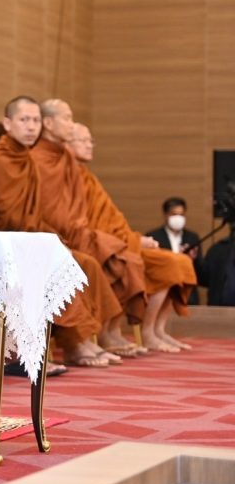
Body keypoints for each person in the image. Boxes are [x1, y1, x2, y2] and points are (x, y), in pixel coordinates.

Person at [0, 96, 124, 368]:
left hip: (28, 237)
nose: (31, 127)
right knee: (59, 264)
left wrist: (48, 238)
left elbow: (32, 213)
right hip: (4, 241)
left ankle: (83, 339)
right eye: (24, 120)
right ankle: (72, 344)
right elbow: (3, 214)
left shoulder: (26, 158)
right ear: (7, 124)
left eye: (35, 121)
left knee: (84, 263)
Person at [32, 100, 149, 357]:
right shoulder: (36, 159)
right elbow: (43, 210)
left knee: (123, 260)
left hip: (78, 233)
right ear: (48, 123)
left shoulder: (66, 159)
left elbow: (78, 210)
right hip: (53, 235)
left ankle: (108, 333)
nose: (71, 124)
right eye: (67, 118)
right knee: (96, 263)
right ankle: (80, 340)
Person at [70, 126, 198, 352]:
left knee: (179, 262)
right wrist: (134, 242)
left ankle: (155, 330)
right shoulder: (67, 176)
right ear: (66, 144)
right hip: (96, 244)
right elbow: (82, 225)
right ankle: (111, 332)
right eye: (83, 141)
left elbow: (109, 221)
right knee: (137, 262)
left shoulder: (88, 177)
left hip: (115, 241)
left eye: (91, 141)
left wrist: (133, 239)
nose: (90, 145)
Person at [146, 196, 205, 305]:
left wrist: (192, 260)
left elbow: (200, 272)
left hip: (187, 296)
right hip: (161, 293)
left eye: (181, 215)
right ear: (165, 215)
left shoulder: (192, 238)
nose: (178, 218)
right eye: (174, 214)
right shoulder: (153, 237)